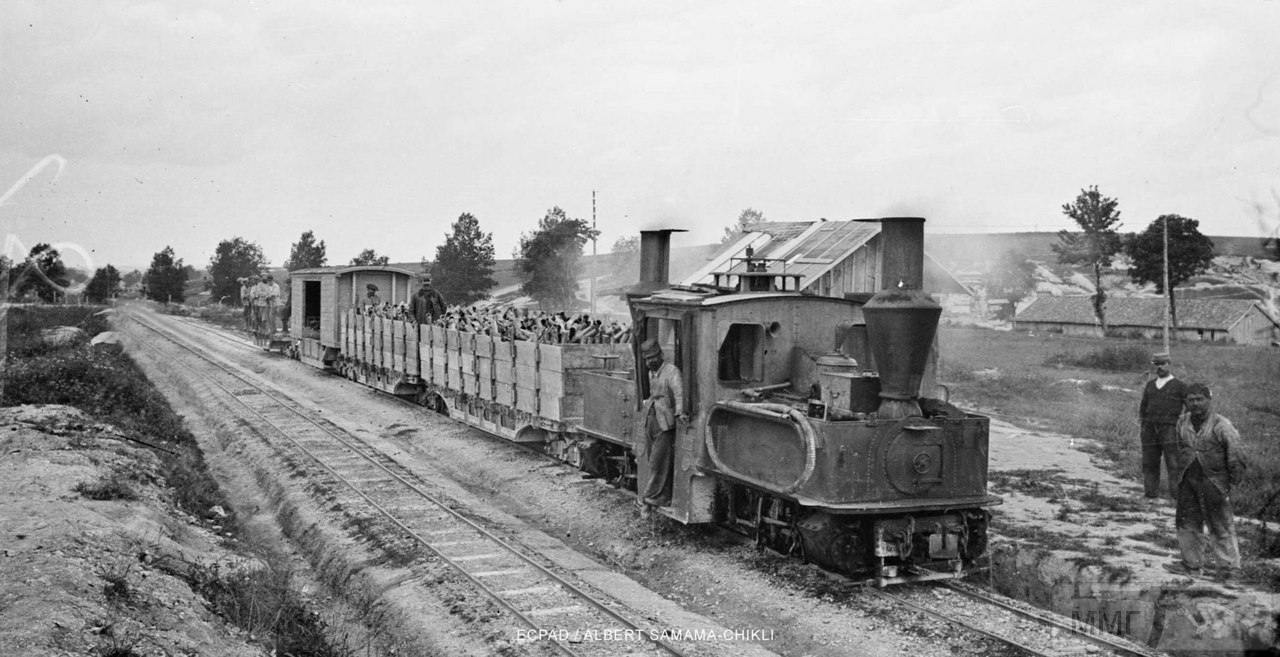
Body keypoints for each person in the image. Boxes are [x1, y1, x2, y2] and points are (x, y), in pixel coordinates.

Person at [1165, 383, 1248, 579]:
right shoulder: (1182, 422)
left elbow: (1236, 456)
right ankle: (1191, 565)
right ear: (1186, 402)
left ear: (1209, 400)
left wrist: (1232, 484)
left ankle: (1229, 571)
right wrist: (1177, 478)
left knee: (1220, 524)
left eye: (1199, 399)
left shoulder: (1222, 425)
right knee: (1186, 523)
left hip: (1214, 481)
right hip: (1188, 479)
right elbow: (1178, 449)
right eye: (1191, 400)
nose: (1195, 404)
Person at [638, 339, 687, 516]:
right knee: (654, 460)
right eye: (647, 359)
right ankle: (660, 498)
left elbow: (679, 393)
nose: (649, 362)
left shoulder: (672, 371)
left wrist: (680, 412)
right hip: (651, 419)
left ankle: (649, 500)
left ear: (661, 355)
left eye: (652, 358)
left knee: (658, 462)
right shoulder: (652, 373)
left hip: (665, 423)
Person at [1138, 351, 1187, 499]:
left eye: (1163, 364)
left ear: (1169, 365)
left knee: (1173, 463)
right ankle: (1150, 494)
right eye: (1156, 365)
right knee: (1149, 462)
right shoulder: (1150, 385)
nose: (1160, 368)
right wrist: (1144, 425)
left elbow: (1189, 409)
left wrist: (1182, 425)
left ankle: (1176, 497)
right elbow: (1143, 407)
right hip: (1150, 429)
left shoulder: (1180, 386)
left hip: (1170, 429)